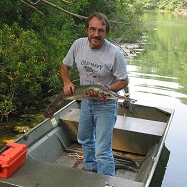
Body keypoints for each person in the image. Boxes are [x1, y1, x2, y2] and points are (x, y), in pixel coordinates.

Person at [59, 12, 128, 176]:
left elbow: (124, 81)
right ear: (87, 29)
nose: (96, 34)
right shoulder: (78, 45)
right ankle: (90, 166)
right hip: (86, 102)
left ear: (106, 33)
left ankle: (106, 180)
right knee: (84, 138)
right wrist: (67, 82)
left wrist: (104, 91)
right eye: (93, 29)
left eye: (101, 31)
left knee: (102, 151)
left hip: (105, 105)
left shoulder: (114, 53)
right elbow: (64, 67)